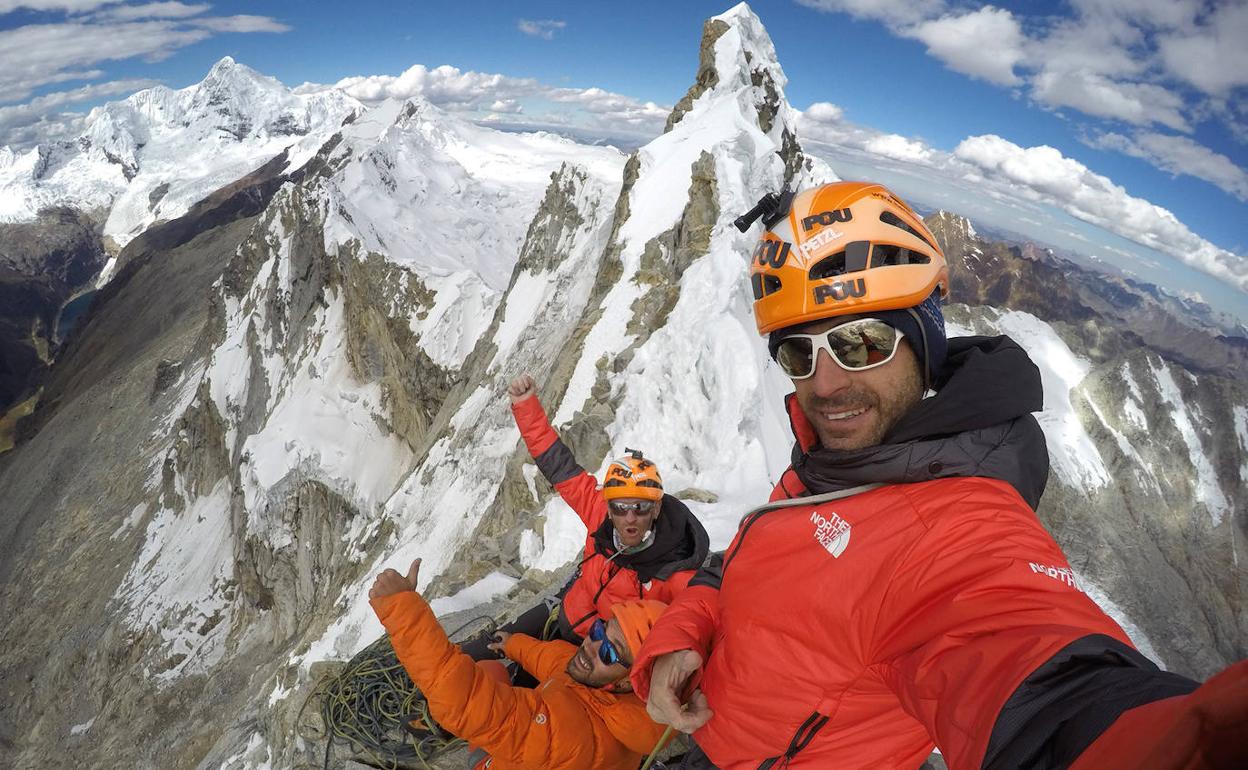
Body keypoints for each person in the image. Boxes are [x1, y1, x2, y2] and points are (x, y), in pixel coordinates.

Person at [631, 181, 1248, 769]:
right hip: (710, 735)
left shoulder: (954, 528)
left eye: (862, 342)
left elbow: (1039, 677)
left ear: (922, 341)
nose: (825, 385)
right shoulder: (834, 460)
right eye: (799, 352)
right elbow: (743, 562)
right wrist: (687, 632)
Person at [461, 373, 709, 662]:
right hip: (567, 611)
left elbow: (700, 621)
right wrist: (525, 406)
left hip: (600, 654)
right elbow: (558, 464)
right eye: (620, 507)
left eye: (640, 507)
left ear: (656, 509)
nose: (629, 517)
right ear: (609, 505)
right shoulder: (598, 512)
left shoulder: (674, 573)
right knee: (486, 649)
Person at [369, 557, 670, 770]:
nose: (591, 646)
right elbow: (554, 660)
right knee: (492, 670)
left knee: (470, 698)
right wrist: (513, 645)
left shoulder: (571, 731)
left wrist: (401, 607)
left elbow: (464, 702)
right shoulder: (613, 696)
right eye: (599, 630)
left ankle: (444, 726)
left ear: (628, 681)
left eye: (609, 652)